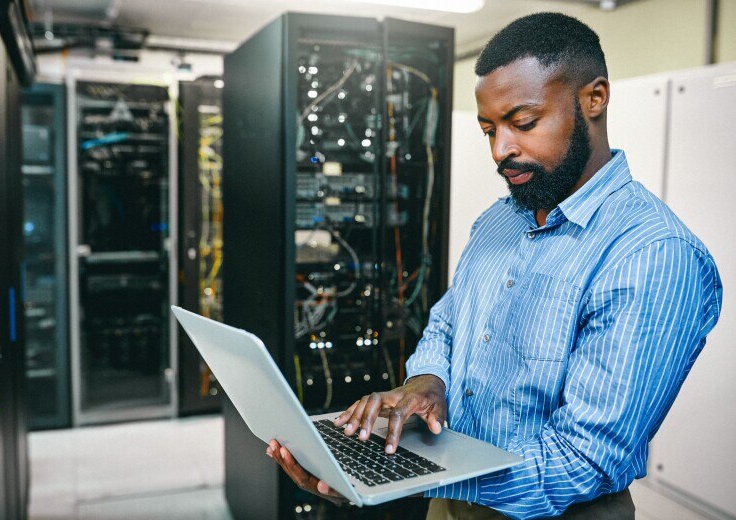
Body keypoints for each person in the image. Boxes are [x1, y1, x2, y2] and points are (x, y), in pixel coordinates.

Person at [267, 12, 722, 519]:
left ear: (594, 98)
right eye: (489, 130)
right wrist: (428, 382)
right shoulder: (499, 221)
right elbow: (448, 323)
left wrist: (387, 476)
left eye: (523, 123)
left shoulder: (653, 254)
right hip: (449, 497)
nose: (501, 150)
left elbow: (583, 460)